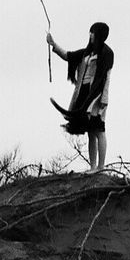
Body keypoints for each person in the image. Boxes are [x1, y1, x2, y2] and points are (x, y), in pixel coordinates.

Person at [47, 22, 113, 171]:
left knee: (99, 130)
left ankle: (101, 168)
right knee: (90, 132)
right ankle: (93, 167)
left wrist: (101, 99)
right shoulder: (86, 53)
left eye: (93, 32)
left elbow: (104, 78)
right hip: (83, 95)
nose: (90, 35)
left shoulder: (107, 53)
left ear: (99, 34)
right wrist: (53, 44)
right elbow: (68, 56)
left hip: (96, 96)